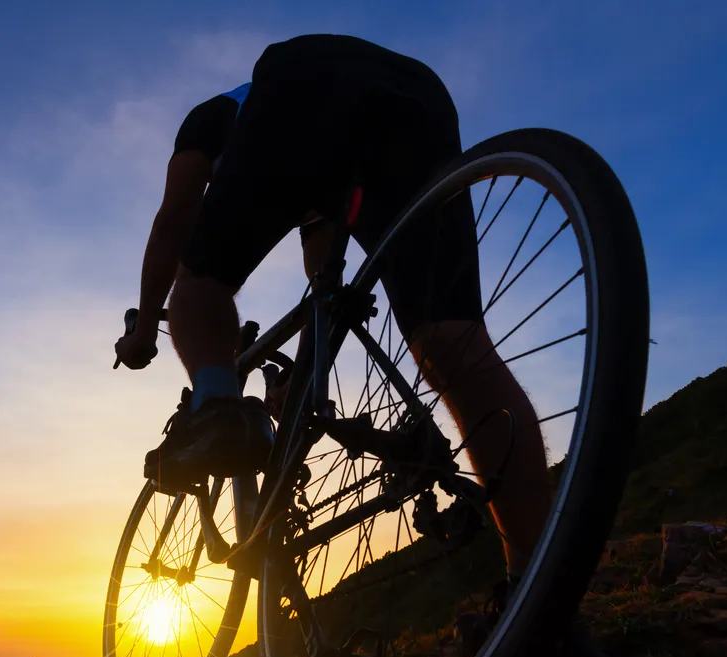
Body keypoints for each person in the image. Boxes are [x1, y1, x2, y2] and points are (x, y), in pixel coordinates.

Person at [114, 33, 556, 590]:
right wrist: (304, 379)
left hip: (303, 77)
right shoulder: (313, 187)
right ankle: (540, 595)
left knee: (198, 286)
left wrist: (145, 331)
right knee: (452, 341)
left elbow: (173, 219)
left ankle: (218, 410)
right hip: (417, 99)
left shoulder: (213, 115)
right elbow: (323, 284)